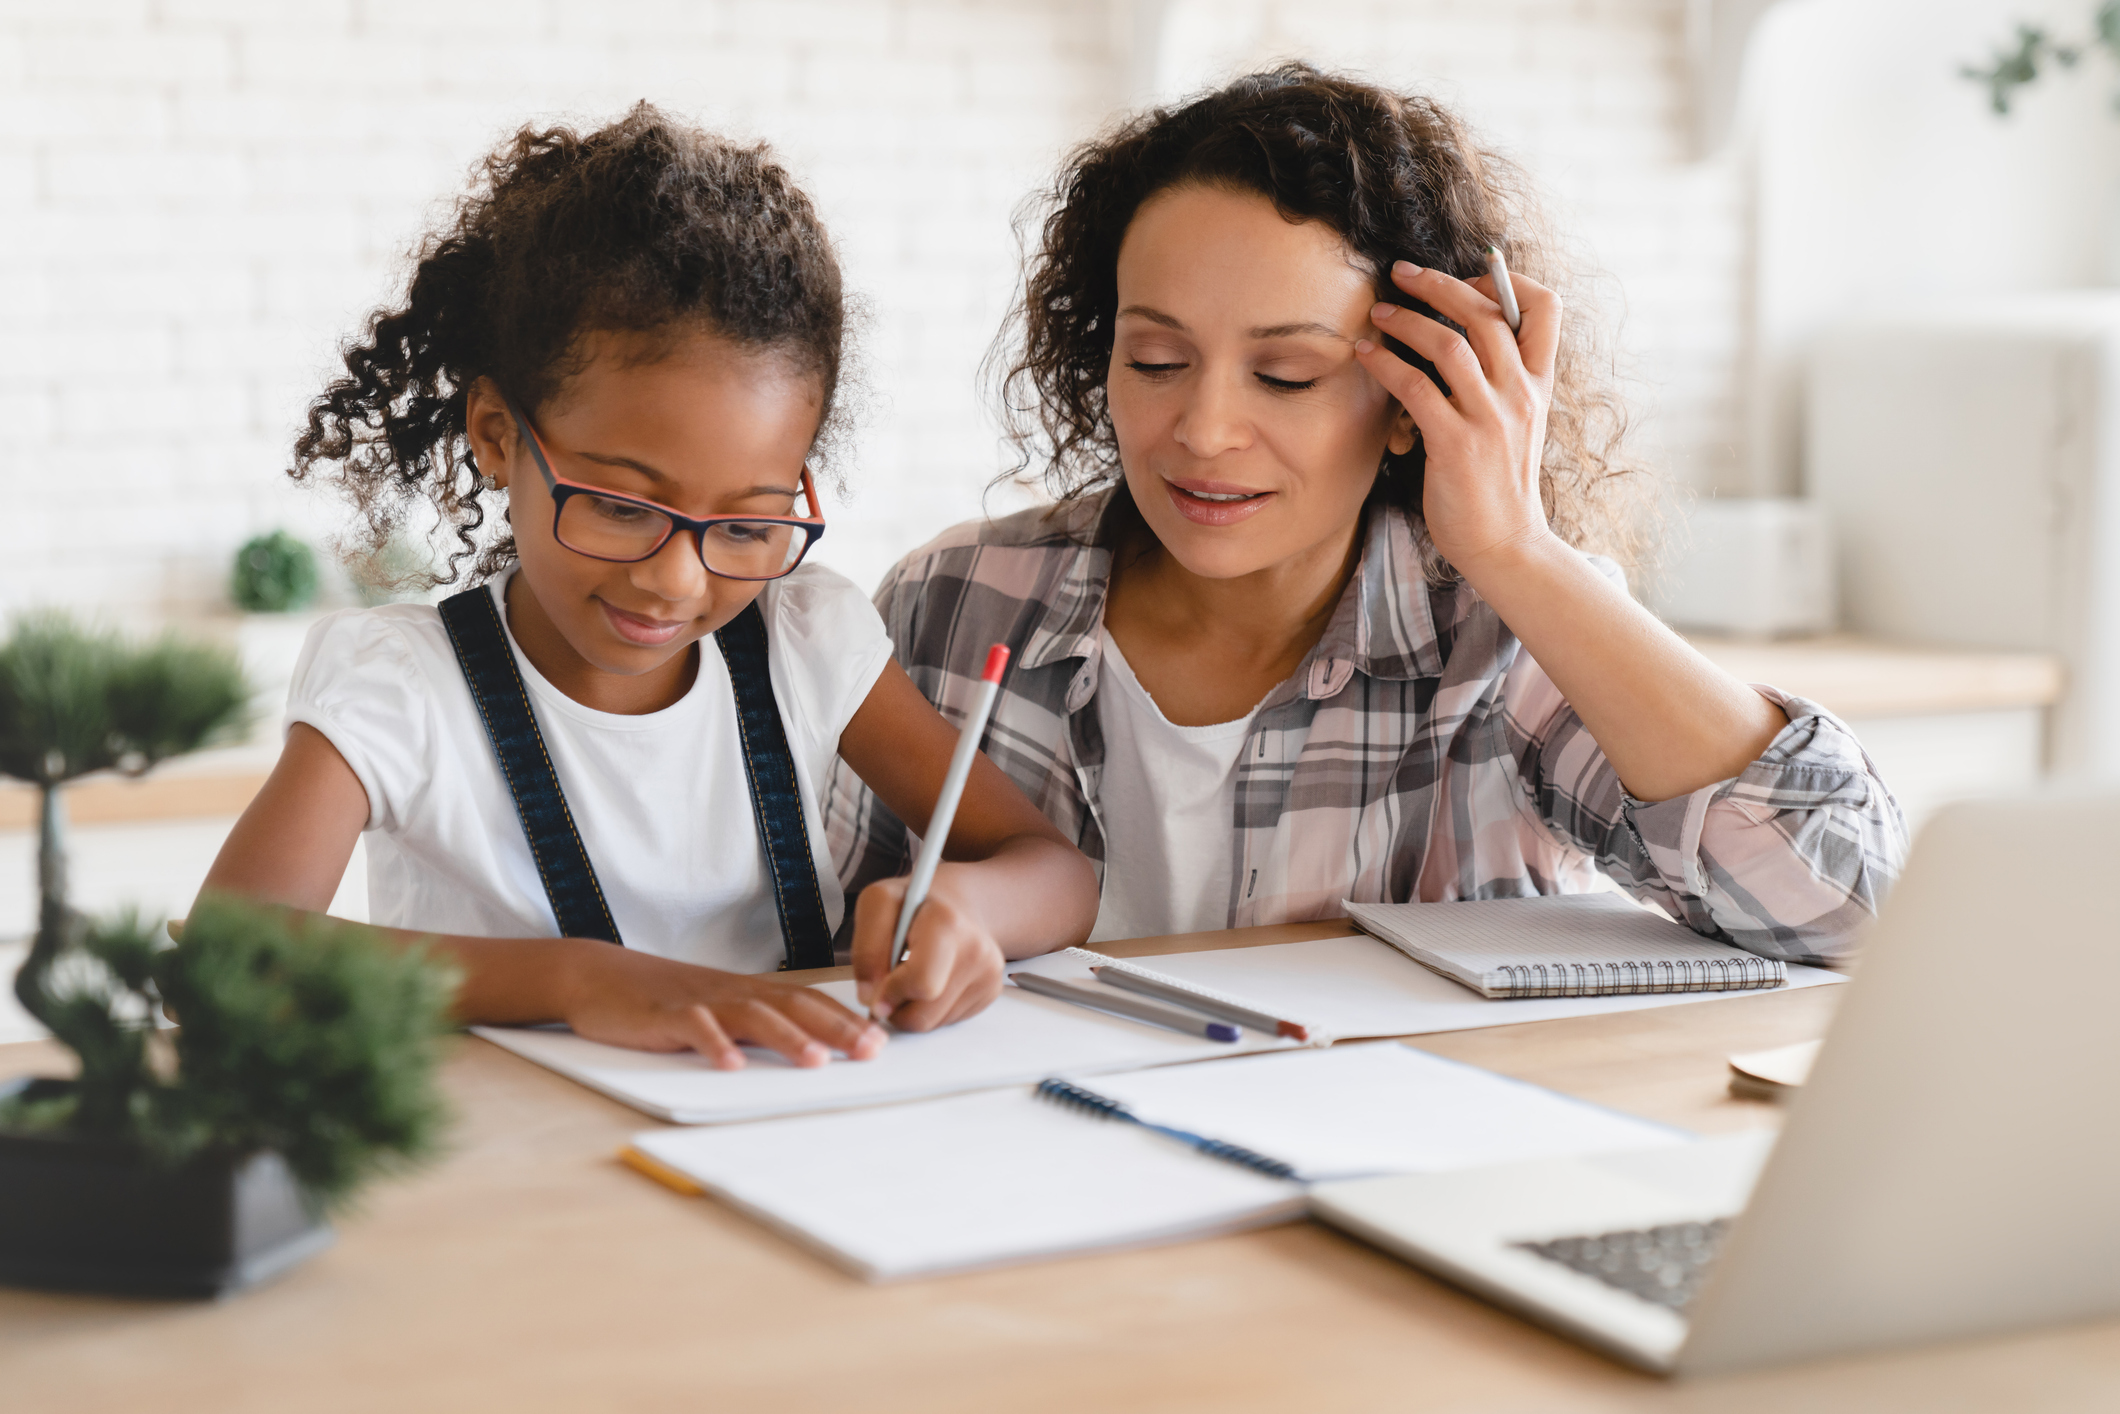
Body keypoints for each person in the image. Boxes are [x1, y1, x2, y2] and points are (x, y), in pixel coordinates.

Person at [828, 66, 1904, 962]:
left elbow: (1845, 906)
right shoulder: (952, 604)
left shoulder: (1499, 641)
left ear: (1409, 398)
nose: (1202, 430)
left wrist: (1517, 549)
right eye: (1153, 359)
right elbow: (812, 950)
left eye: (1285, 376)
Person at [199, 106, 1098, 1068]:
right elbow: (227, 957)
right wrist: (576, 979)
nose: (675, 580)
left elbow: (1059, 874)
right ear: (498, 437)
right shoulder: (402, 687)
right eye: (623, 507)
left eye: (748, 524)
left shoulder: (806, 639)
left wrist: (969, 908)